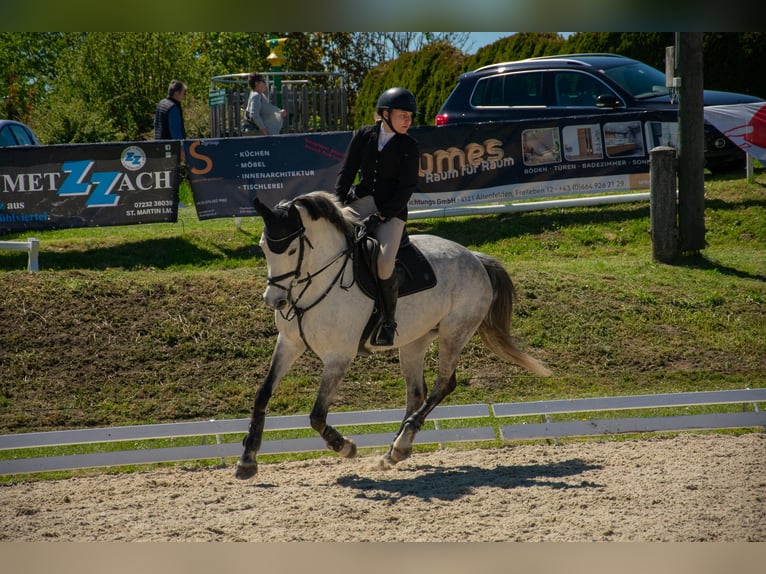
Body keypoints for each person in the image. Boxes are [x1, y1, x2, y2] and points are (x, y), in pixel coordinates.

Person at [335, 87, 419, 346]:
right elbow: (347, 171)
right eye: (402, 114)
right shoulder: (363, 135)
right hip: (360, 203)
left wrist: (382, 217)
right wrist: (336, 205)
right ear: (385, 114)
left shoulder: (410, 146)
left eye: (410, 116)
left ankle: (388, 320)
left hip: (391, 211)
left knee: (384, 263)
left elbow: (406, 189)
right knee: (329, 235)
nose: (408, 120)